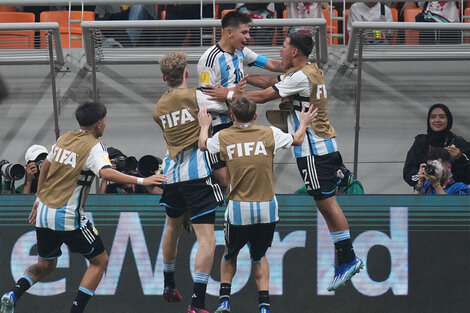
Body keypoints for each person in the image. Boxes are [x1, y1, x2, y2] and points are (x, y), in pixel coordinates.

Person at [205, 32, 364, 291]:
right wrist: (241, 80)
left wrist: (229, 94)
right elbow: (270, 81)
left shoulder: (301, 77)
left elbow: (266, 95)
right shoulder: (307, 71)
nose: (280, 49)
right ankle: (344, 258)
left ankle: (347, 258)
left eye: (284, 45)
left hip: (314, 149)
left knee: (327, 204)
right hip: (324, 145)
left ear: (294, 52)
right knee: (325, 205)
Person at [0, 102, 167, 313]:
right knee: (100, 261)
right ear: (98, 124)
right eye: (105, 120)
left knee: (46, 265)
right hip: (67, 216)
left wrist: (39, 197)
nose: (105, 123)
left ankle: (13, 294)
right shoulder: (94, 147)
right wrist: (144, 181)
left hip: (44, 213)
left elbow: (47, 166)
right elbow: (106, 173)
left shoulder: (65, 138)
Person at [198, 97, 317, 313]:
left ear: (232, 117)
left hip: (238, 210)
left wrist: (204, 125)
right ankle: (264, 305)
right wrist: (304, 121)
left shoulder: (223, 136)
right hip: (267, 209)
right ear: (255, 116)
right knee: (259, 256)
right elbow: (298, 140)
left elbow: (202, 144)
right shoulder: (269, 133)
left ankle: (224, 300)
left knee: (229, 255)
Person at [154, 52, 232, 313]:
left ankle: (168, 282)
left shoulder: (158, 109)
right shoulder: (196, 96)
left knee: (171, 227)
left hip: (171, 175)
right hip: (197, 174)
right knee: (207, 239)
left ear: (164, 77)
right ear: (186, 73)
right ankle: (197, 302)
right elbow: (226, 105)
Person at [197, 10, 286, 188]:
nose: (248, 37)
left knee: (243, 174)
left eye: (248, 32)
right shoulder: (209, 59)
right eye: (244, 32)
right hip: (219, 125)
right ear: (229, 32)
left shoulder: (242, 52)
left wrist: (303, 67)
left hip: (240, 123)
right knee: (224, 180)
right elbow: (203, 100)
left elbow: (273, 65)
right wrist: (232, 99)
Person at [403, 103, 470, 188]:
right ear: (428, 120)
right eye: (433, 117)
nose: (437, 120)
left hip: (453, 197)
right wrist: (424, 178)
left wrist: (460, 158)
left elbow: (467, 178)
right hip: (426, 195)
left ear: (448, 120)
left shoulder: (458, 142)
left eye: (442, 117)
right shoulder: (421, 142)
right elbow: (408, 172)